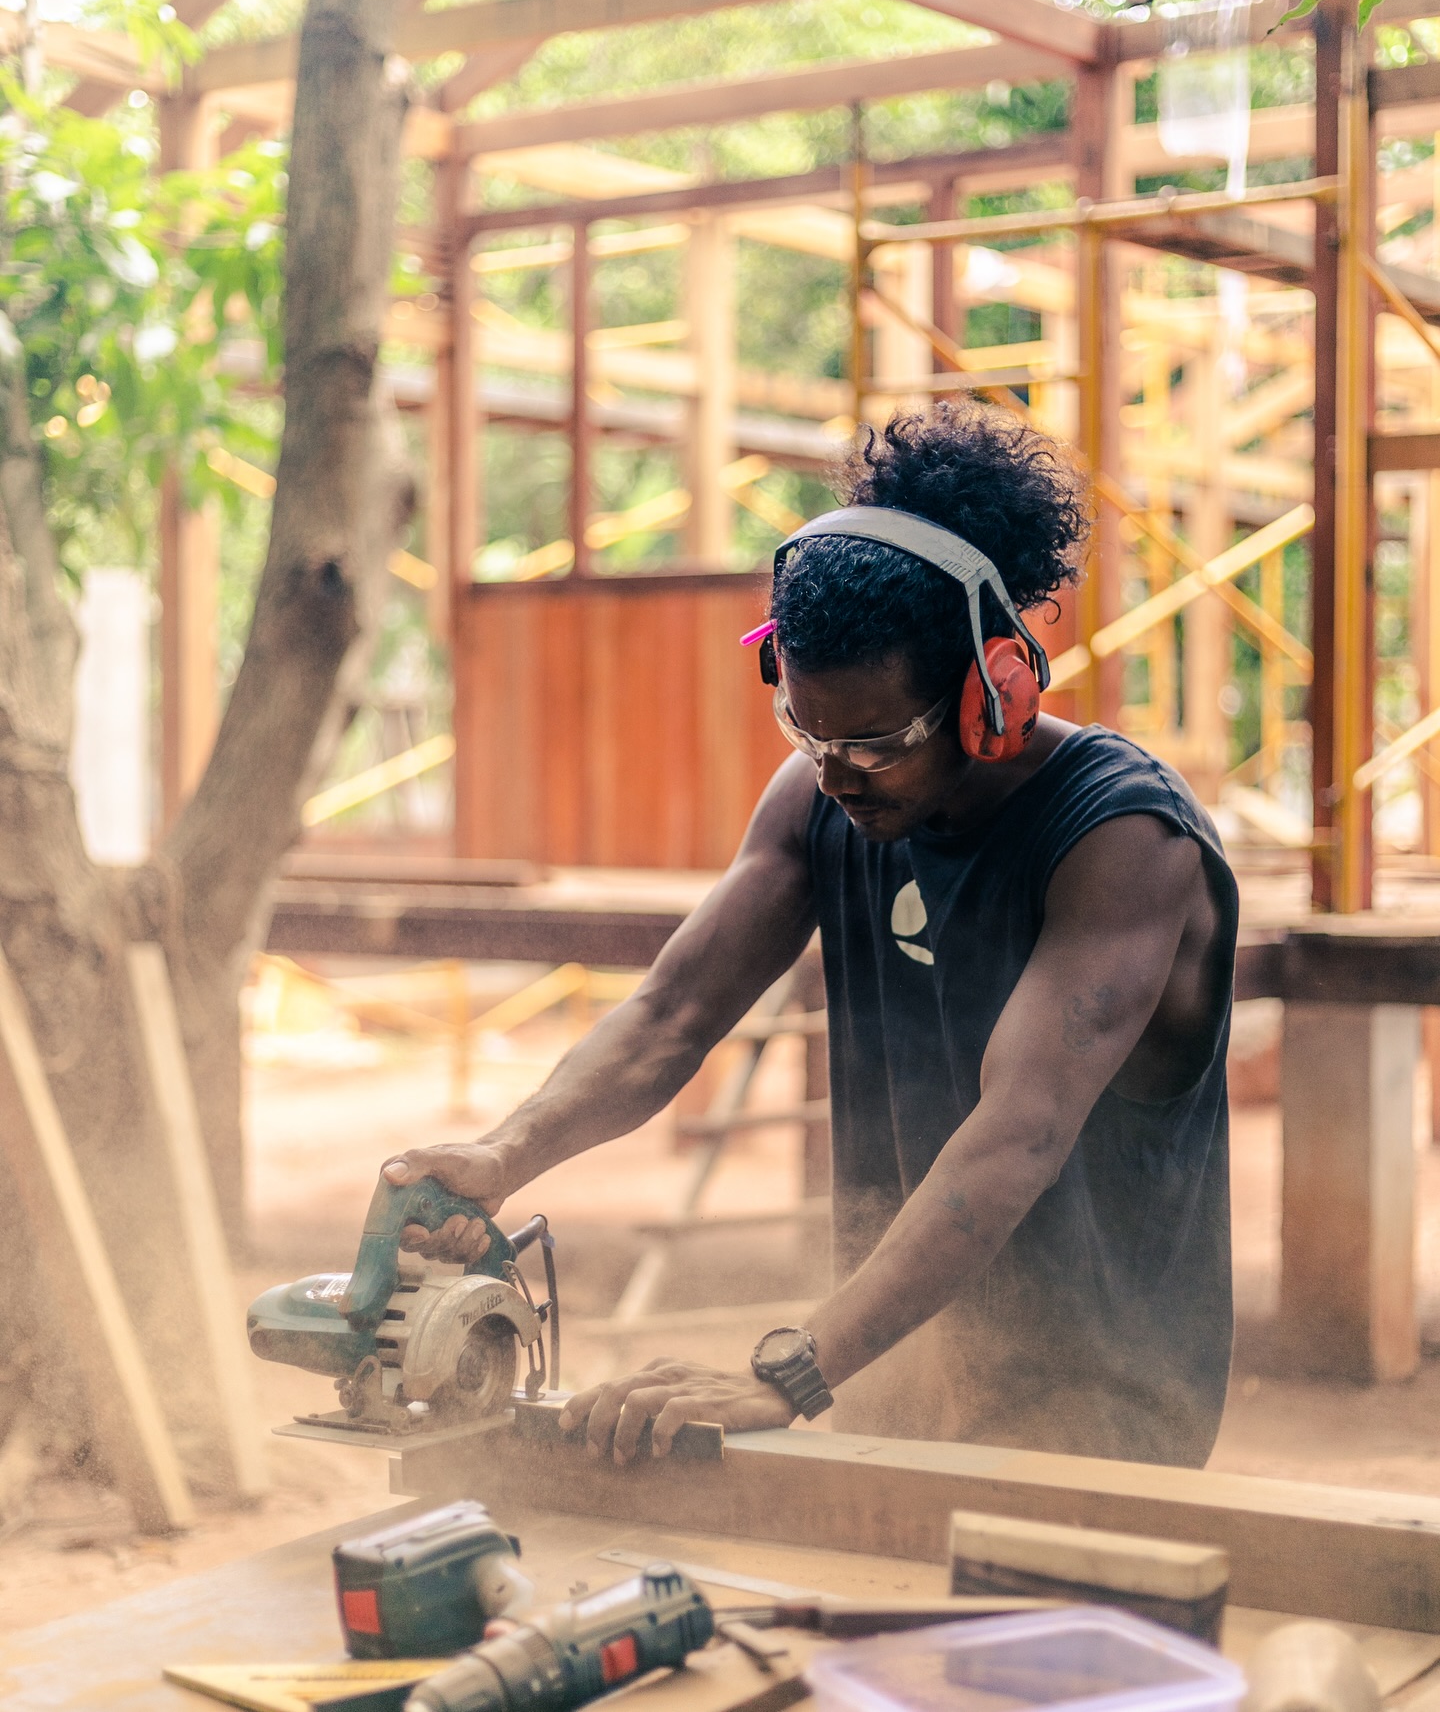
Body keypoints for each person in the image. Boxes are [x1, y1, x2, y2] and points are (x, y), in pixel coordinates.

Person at [383, 400, 1238, 1471]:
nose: (835, 772)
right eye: (806, 726)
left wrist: (786, 1370)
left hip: (1099, 1406)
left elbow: (1017, 1132)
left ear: (992, 693)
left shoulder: (1121, 841)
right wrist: (506, 1151)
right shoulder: (818, 799)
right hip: (893, 1375)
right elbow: (670, 1014)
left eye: (877, 740)